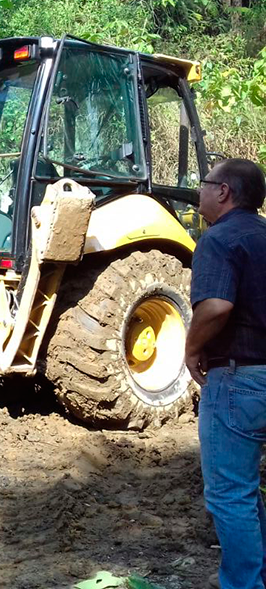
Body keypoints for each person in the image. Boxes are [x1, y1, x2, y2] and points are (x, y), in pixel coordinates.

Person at [185, 158, 266, 589]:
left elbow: (216, 306)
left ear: (224, 192)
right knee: (247, 492)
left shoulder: (219, 240)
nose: (199, 191)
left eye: (205, 183)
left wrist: (191, 348)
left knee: (230, 495)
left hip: (239, 380)